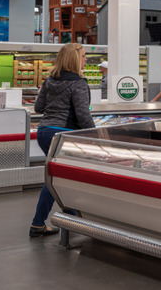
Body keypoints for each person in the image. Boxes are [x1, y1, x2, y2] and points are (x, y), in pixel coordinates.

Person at [29, 43, 96, 237]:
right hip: (63, 135)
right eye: (83, 56)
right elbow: (83, 115)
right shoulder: (78, 83)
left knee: (61, 175)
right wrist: (95, 136)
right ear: (75, 59)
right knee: (55, 179)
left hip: (44, 132)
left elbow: (39, 107)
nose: (85, 60)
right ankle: (38, 223)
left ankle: (71, 215)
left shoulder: (50, 80)